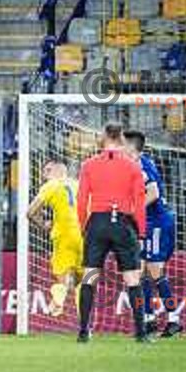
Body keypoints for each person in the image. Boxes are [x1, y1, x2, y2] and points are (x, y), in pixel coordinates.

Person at [76, 122, 147, 343]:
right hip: (123, 224)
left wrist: (82, 227)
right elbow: (140, 202)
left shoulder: (89, 165)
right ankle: (141, 332)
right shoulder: (133, 166)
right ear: (121, 139)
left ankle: (84, 331)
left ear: (104, 137)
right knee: (133, 280)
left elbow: (81, 200)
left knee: (89, 278)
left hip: (97, 222)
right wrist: (141, 233)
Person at [124, 130, 181, 337]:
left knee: (154, 272)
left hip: (157, 222)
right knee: (141, 274)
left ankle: (173, 318)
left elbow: (154, 193)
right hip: (151, 222)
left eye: (123, 145)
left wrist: (133, 211)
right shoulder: (141, 162)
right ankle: (148, 319)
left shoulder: (140, 165)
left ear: (131, 148)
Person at [27, 161, 83, 317]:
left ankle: (58, 299)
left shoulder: (51, 185)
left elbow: (30, 212)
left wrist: (43, 225)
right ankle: (85, 323)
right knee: (82, 281)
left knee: (62, 279)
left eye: (46, 171)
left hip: (63, 234)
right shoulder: (79, 184)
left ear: (54, 170)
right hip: (84, 234)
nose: (43, 175)